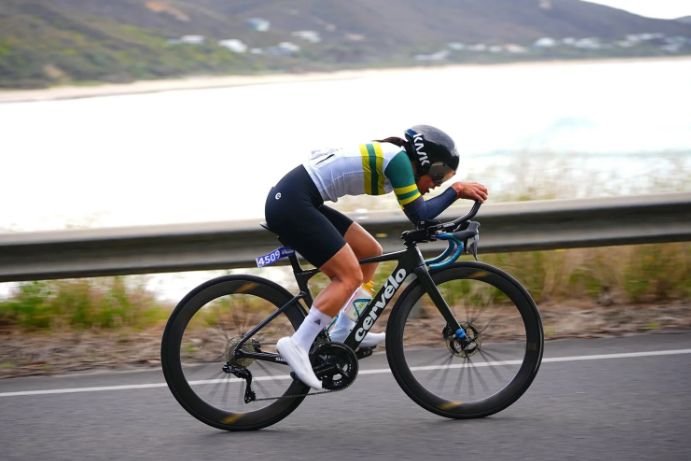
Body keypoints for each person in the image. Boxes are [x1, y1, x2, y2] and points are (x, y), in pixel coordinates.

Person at [265, 125, 488, 389]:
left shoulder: (397, 158)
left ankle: (344, 329)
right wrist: (456, 190)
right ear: (426, 163)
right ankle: (298, 344)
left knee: (370, 252)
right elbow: (420, 214)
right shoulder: (399, 161)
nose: (436, 186)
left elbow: (422, 217)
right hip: (291, 204)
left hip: (299, 201)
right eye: (439, 178)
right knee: (349, 276)